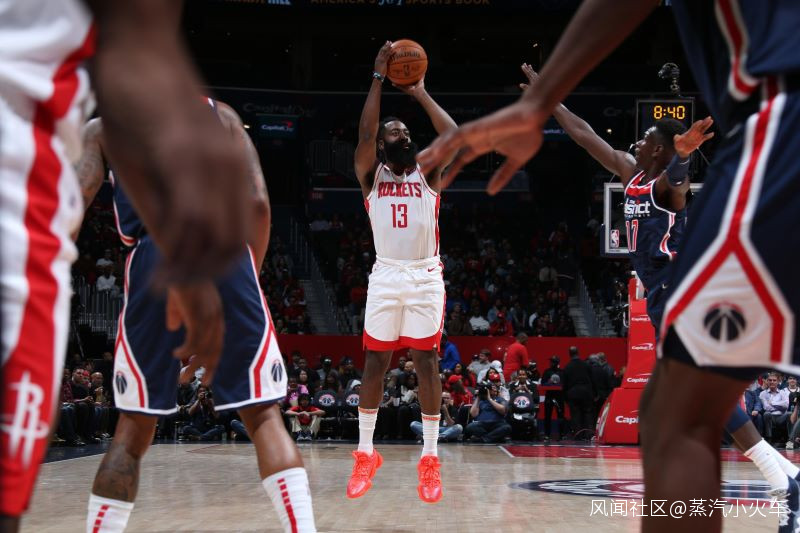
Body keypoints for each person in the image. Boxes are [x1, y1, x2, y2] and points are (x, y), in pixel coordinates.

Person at [417, 1, 800, 530]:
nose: (635, 141)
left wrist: (681, 157)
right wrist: (546, 100)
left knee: (676, 410)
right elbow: (584, 135)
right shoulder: (629, 173)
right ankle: (784, 477)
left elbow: (679, 183)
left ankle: (784, 479)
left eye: (646, 140)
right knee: (681, 406)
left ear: (660, 152)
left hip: (680, 281)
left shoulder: (666, 184)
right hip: (663, 286)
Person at [0, 2, 253, 527]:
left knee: (120, 436)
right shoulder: (209, 113)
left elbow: (75, 201)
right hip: (32, 241)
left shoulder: (103, 112)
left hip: (43, 243)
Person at [78, 110, 316, 533]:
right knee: (263, 417)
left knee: (131, 431)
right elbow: (259, 203)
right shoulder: (220, 116)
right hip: (226, 250)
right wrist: (245, 280)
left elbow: (67, 208)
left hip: (153, 259)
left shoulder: (103, 127)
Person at [347, 41, 458, 504]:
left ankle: (429, 459)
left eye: (406, 131)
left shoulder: (427, 174)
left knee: (426, 361)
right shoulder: (370, 175)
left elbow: (452, 134)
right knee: (376, 362)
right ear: (381, 144)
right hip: (386, 274)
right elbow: (365, 131)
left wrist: (419, 92)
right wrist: (378, 77)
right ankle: (365, 453)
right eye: (393, 131)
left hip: (424, 275)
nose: (402, 135)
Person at [562, 347, 594, 441]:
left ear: (569, 354)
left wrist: (565, 397)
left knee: (575, 415)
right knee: (587, 414)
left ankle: (578, 435)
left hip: (573, 394)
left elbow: (565, 384)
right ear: (578, 353)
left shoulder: (567, 367)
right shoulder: (586, 365)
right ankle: (588, 435)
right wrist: (594, 393)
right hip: (586, 393)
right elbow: (592, 380)